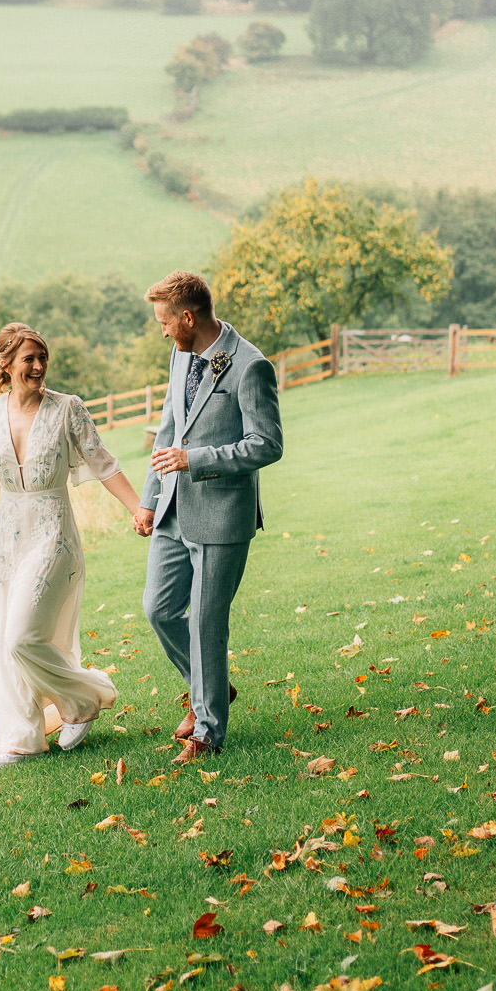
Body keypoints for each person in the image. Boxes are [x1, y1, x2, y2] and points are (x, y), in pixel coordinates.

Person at [0, 323, 146, 772]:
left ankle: (81, 697)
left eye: (43, 358)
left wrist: (138, 508)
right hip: (6, 538)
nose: (39, 367)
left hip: (53, 533)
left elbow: (103, 463)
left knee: (22, 635)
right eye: (29, 359)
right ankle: (22, 737)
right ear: (5, 364)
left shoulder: (68, 409)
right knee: (1, 641)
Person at [135, 270, 284, 766]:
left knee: (205, 623)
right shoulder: (180, 354)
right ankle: (212, 685)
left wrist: (195, 461)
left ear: (188, 317)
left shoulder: (250, 366)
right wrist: (150, 500)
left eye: (163, 321)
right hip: (173, 510)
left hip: (222, 516)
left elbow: (267, 444)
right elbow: (168, 430)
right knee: (158, 609)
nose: (160, 330)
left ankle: (207, 730)